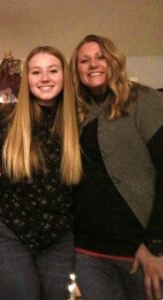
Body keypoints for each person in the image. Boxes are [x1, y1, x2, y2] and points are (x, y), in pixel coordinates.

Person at [0, 46, 82, 300]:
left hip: (59, 237)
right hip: (5, 231)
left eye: (53, 70)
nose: (44, 78)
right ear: (27, 79)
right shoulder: (3, 117)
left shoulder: (81, 120)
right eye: (36, 72)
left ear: (65, 76)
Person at [70, 34, 163, 300]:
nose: (93, 64)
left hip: (140, 251)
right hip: (88, 253)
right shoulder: (76, 113)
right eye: (84, 61)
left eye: (100, 57)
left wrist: (156, 244)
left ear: (114, 61)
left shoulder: (145, 101)